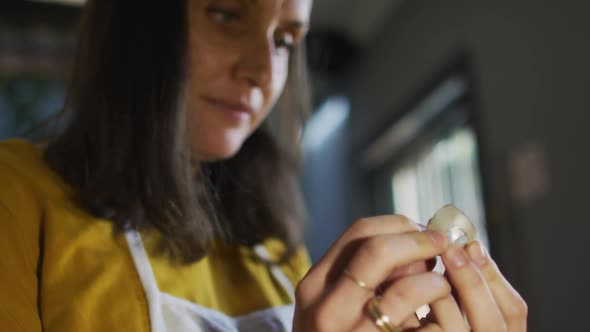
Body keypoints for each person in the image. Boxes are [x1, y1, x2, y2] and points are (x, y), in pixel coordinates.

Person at [0, 0, 527, 331]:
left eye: (285, 40)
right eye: (227, 15)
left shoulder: (276, 251)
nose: (261, 71)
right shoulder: (17, 193)